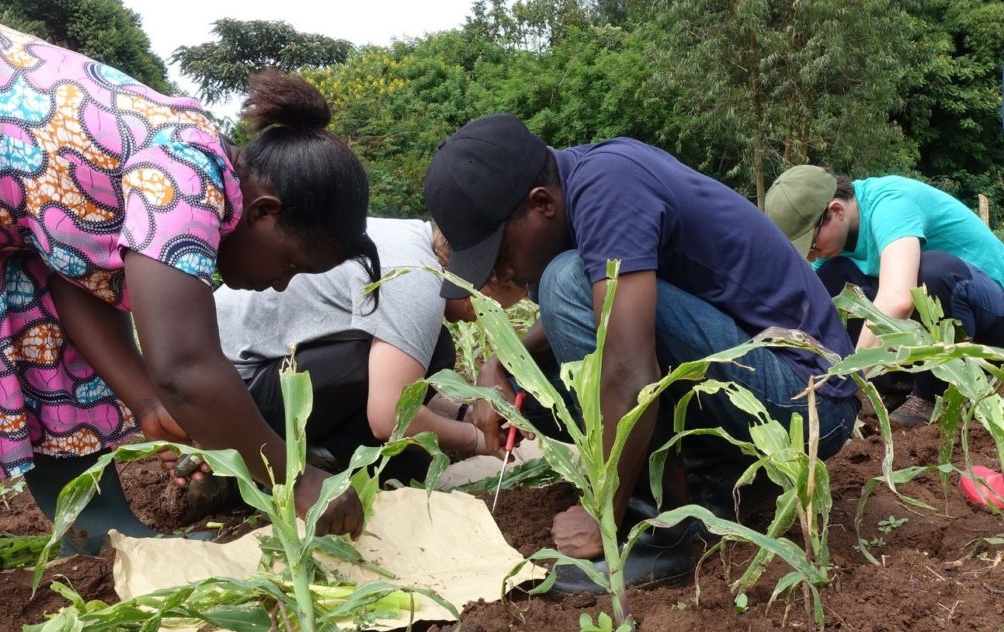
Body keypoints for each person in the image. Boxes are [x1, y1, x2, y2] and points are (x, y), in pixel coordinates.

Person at [0, 15, 374, 554]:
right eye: (289, 265)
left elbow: (70, 277)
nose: (280, 285)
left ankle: (100, 532)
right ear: (264, 212)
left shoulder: (187, 155)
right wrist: (302, 481)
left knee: (37, 318)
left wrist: (146, 405)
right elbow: (186, 370)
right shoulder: (186, 180)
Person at [424, 113, 860, 593]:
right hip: (762, 379)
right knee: (536, 382)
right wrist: (502, 362)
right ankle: (719, 474)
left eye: (500, 254)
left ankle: (654, 531)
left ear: (541, 204)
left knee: (564, 283)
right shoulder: (582, 186)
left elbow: (630, 372)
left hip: (811, 397)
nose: (503, 271)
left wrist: (603, 515)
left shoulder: (609, 187)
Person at [213, 217, 502, 483]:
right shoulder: (415, 277)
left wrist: (463, 413)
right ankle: (307, 451)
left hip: (268, 367)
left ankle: (330, 443)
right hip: (233, 394)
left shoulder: (411, 239)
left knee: (432, 348)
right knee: (375, 369)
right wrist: (477, 440)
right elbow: (391, 416)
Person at [765, 166, 1004, 425]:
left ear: (836, 211)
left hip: (990, 314)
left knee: (930, 274)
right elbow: (802, 304)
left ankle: (935, 394)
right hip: (945, 317)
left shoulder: (890, 204)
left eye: (811, 244)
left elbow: (898, 300)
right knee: (834, 280)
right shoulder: (836, 243)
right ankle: (890, 390)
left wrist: (848, 381)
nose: (811, 255)